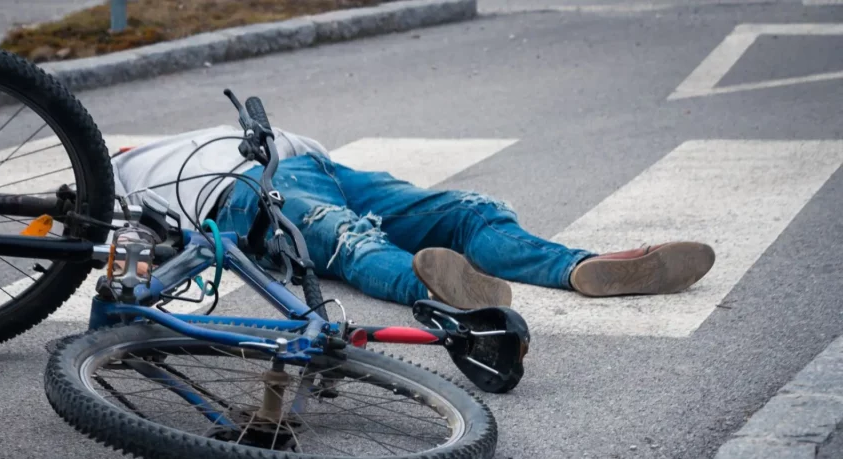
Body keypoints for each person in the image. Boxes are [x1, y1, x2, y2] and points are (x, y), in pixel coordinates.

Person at [111, 125, 715, 310]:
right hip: (244, 195)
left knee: (466, 211)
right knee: (348, 238)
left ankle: (579, 267)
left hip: (318, 167)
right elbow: (123, 241)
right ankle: (438, 285)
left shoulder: (160, 146)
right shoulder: (112, 172)